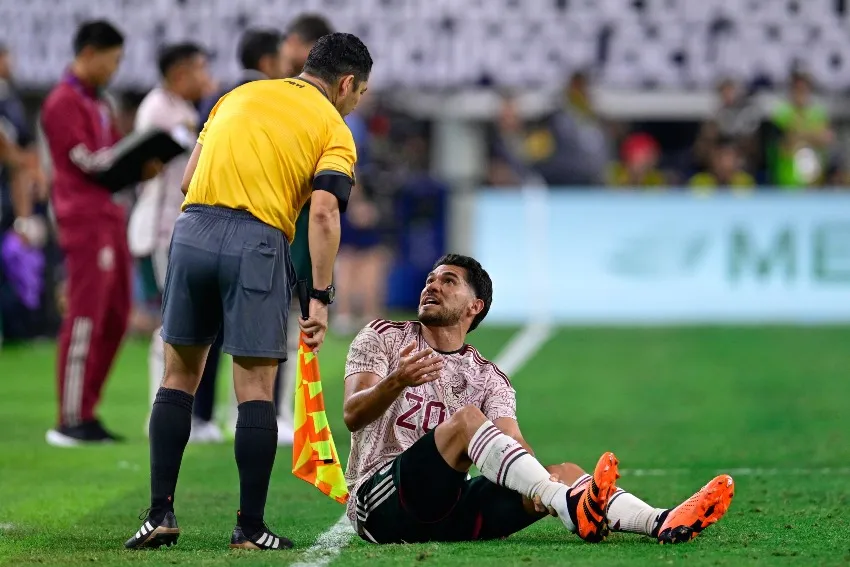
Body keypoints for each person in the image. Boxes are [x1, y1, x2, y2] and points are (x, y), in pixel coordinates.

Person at [124, 32, 372, 551]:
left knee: (178, 376)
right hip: (256, 240)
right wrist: (320, 297)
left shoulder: (236, 96)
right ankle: (249, 527)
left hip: (190, 233)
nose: (355, 104)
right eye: (359, 93)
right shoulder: (334, 128)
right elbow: (324, 212)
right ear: (346, 83)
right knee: (255, 389)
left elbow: (190, 177)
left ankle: (160, 514)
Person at [343, 254, 735, 545]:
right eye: (430, 279)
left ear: (474, 307)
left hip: (447, 513)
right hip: (381, 508)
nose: (432, 285)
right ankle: (568, 506)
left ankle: (660, 520)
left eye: (448, 281)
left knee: (561, 472)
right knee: (467, 421)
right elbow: (352, 415)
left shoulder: (489, 377)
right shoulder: (383, 337)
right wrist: (396, 381)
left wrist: (539, 484)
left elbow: (515, 447)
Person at [41, 20, 162, 446]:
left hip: (110, 218)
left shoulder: (100, 103)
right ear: (90, 53)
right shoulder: (61, 102)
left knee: (114, 316)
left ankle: (87, 412)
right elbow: (88, 162)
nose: (114, 70)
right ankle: (70, 418)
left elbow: (110, 158)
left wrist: (139, 163)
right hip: (83, 220)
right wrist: (128, 159)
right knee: (85, 316)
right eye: (112, 61)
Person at [126, 43, 215, 441]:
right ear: (180, 72)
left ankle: (172, 414)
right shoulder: (159, 109)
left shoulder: (181, 107)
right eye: (200, 68)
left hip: (176, 229)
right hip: (161, 230)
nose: (205, 76)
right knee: (169, 325)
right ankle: (158, 414)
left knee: (177, 324)